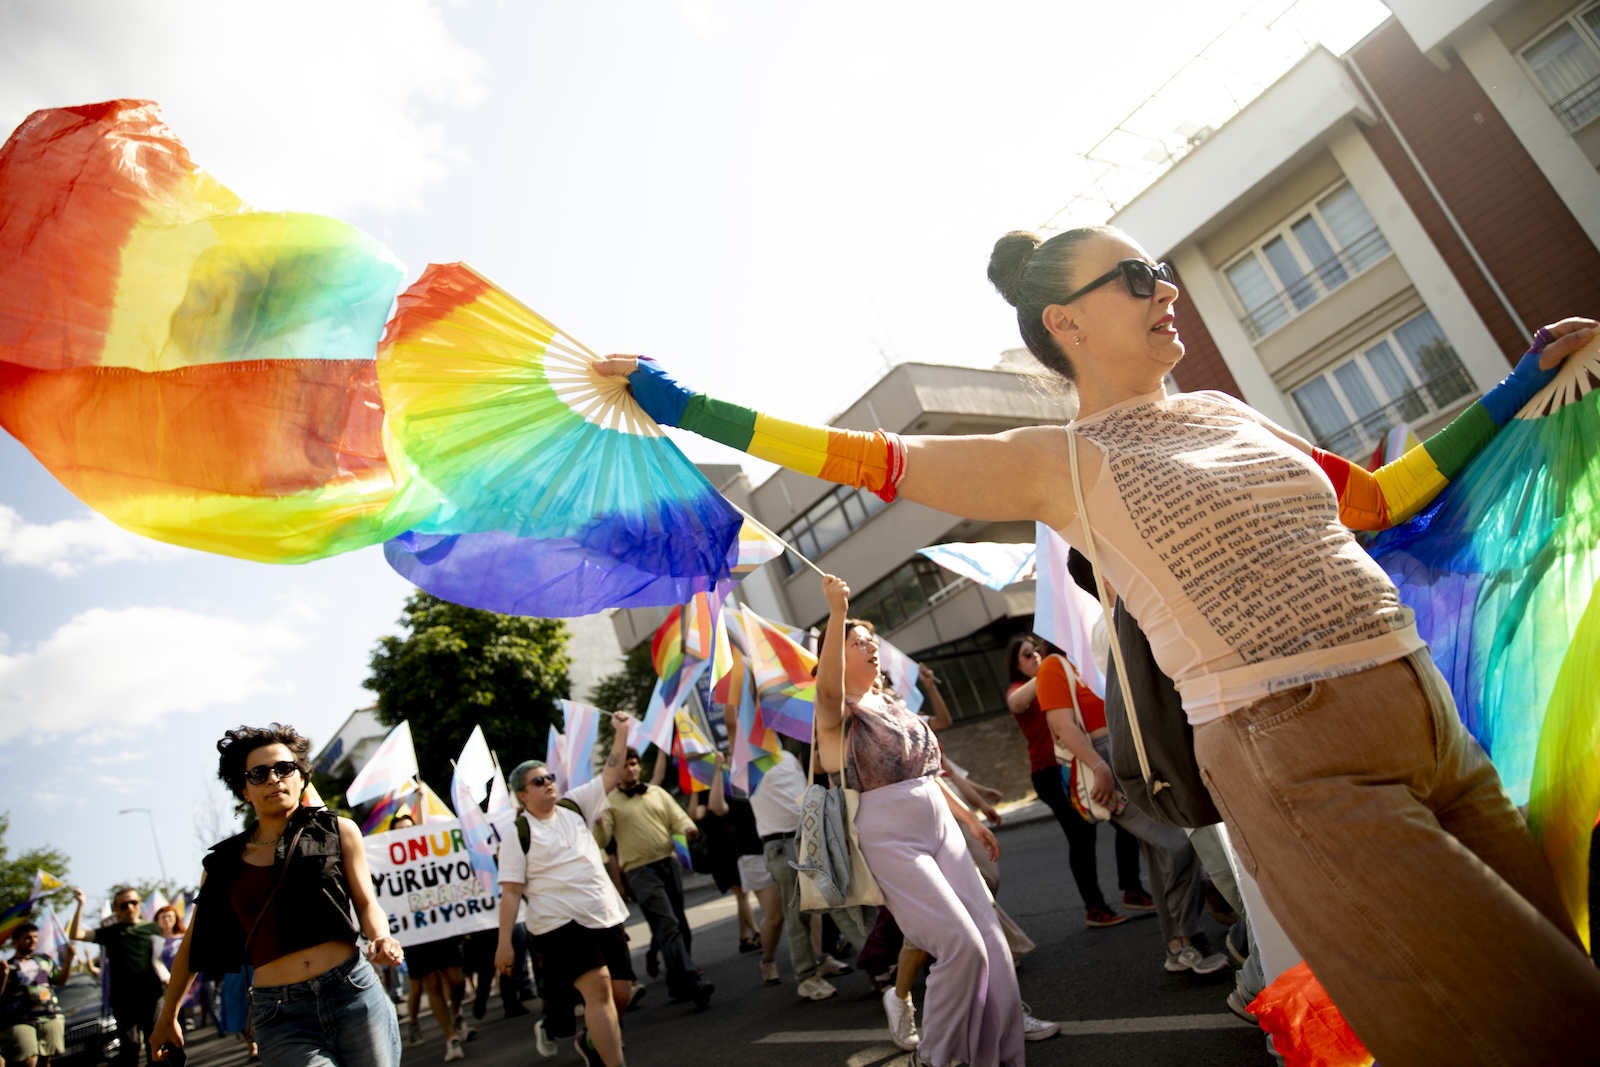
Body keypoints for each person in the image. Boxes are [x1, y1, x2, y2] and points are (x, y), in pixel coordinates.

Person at [596, 228, 1600, 1065]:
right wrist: (689, 408)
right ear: (1064, 322)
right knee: (1532, 1019)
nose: (1164, 289)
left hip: (1431, 720)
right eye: (1136, 279)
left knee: (1564, 961)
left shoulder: (1223, 411)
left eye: (1159, 269)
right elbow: (872, 458)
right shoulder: (1053, 463)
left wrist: (1515, 387)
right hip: (1296, 756)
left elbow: (1376, 499)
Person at [816, 576, 1021, 1067]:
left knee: (992, 942)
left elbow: (931, 775)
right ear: (835, 654)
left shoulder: (896, 706)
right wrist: (837, 611)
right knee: (960, 945)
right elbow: (826, 686)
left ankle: (997, 1054)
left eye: (871, 642)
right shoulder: (834, 714)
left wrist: (969, 820)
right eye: (857, 643)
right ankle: (935, 1057)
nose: (870, 649)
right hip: (889, 836)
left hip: (942, 828)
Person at [146, 723, 405, 1067]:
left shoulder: (340, 830)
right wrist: (168, 1015)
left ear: (301, 778)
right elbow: (195, 943)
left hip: (352, 993)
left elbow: (366, 902)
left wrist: (382, 938)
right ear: (243, 790)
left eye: (284, 768)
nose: (273, 779)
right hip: (280, 1016)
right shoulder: (222, 865)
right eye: (258, 773)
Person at [1036, 643, 1226, 974]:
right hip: (1104, 765)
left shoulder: (1100, 650)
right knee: (1179, 840)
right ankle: (1187, 936)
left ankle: (1176, 943)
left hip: (1132, 751)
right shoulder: (1054, 665)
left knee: (1160, 852)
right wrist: (1098, 766)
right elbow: (1062, 726)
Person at [494, 711, 638, 1067]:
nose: (548, 783)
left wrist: (621, 732)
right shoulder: (518, 835)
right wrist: (504, 943)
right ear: (523, 795)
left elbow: (611, 772)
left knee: (621, 992)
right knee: (600, 988)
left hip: (605, 913)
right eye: (538, 781)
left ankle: (592, 1041)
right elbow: (511, 892)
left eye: (549, 777)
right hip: (561, 925)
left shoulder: (575, 805)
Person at [1004, 634, 1150, 928]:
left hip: (1080, 762)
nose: (1034, 657)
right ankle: (1094, 907)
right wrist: (1049, 669)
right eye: (1027, 655)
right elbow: (1016, 703)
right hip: (1052, 772)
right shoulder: (1022, 687)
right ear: (1016, 666)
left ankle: (1132, 889)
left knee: (1125, 818)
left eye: (1036, 652)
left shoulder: (1060, 673)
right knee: (1081, 837)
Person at [596, 749, 714, 1009]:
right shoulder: (609, 802)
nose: (631, 769)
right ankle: (691, 981)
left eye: (634, 763)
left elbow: (677, 818)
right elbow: (603, 840)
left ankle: (677, 982)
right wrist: (597, 822)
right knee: (668, 924)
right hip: (640, 871)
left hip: (667, 862)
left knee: (679, 924)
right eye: (625, 765)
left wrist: (688, 829)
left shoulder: (656, 792)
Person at [67, 887, 160, 1067]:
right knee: (130, 1045)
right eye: (124, 904)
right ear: (116, 909)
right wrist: (80, 904)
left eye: (134, 902)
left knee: (155, 1042)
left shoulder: (152, 928)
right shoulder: (110, 932)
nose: (130, 907)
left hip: (151, 994)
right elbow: (76, 934)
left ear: (140, 904)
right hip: (123, 998)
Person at [0, 922, 72, 1067]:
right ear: (16, 941)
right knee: (29, 1061)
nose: (33, 940)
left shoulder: (44, 960)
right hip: (19, 1019)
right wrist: (3, 976)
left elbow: (59, 980)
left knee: (46, 1059)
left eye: (35, 937)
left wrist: (69, 960)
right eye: (27, 937)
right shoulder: (8, 966)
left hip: (49, 1015)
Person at [149, 905, 200, 1031]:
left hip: (188, 979)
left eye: (169, 916)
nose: (166, 920)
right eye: (163, 917)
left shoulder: (183, 937)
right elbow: (155, 961)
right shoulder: (154, 941)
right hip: (166, 982)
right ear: (157, 920)